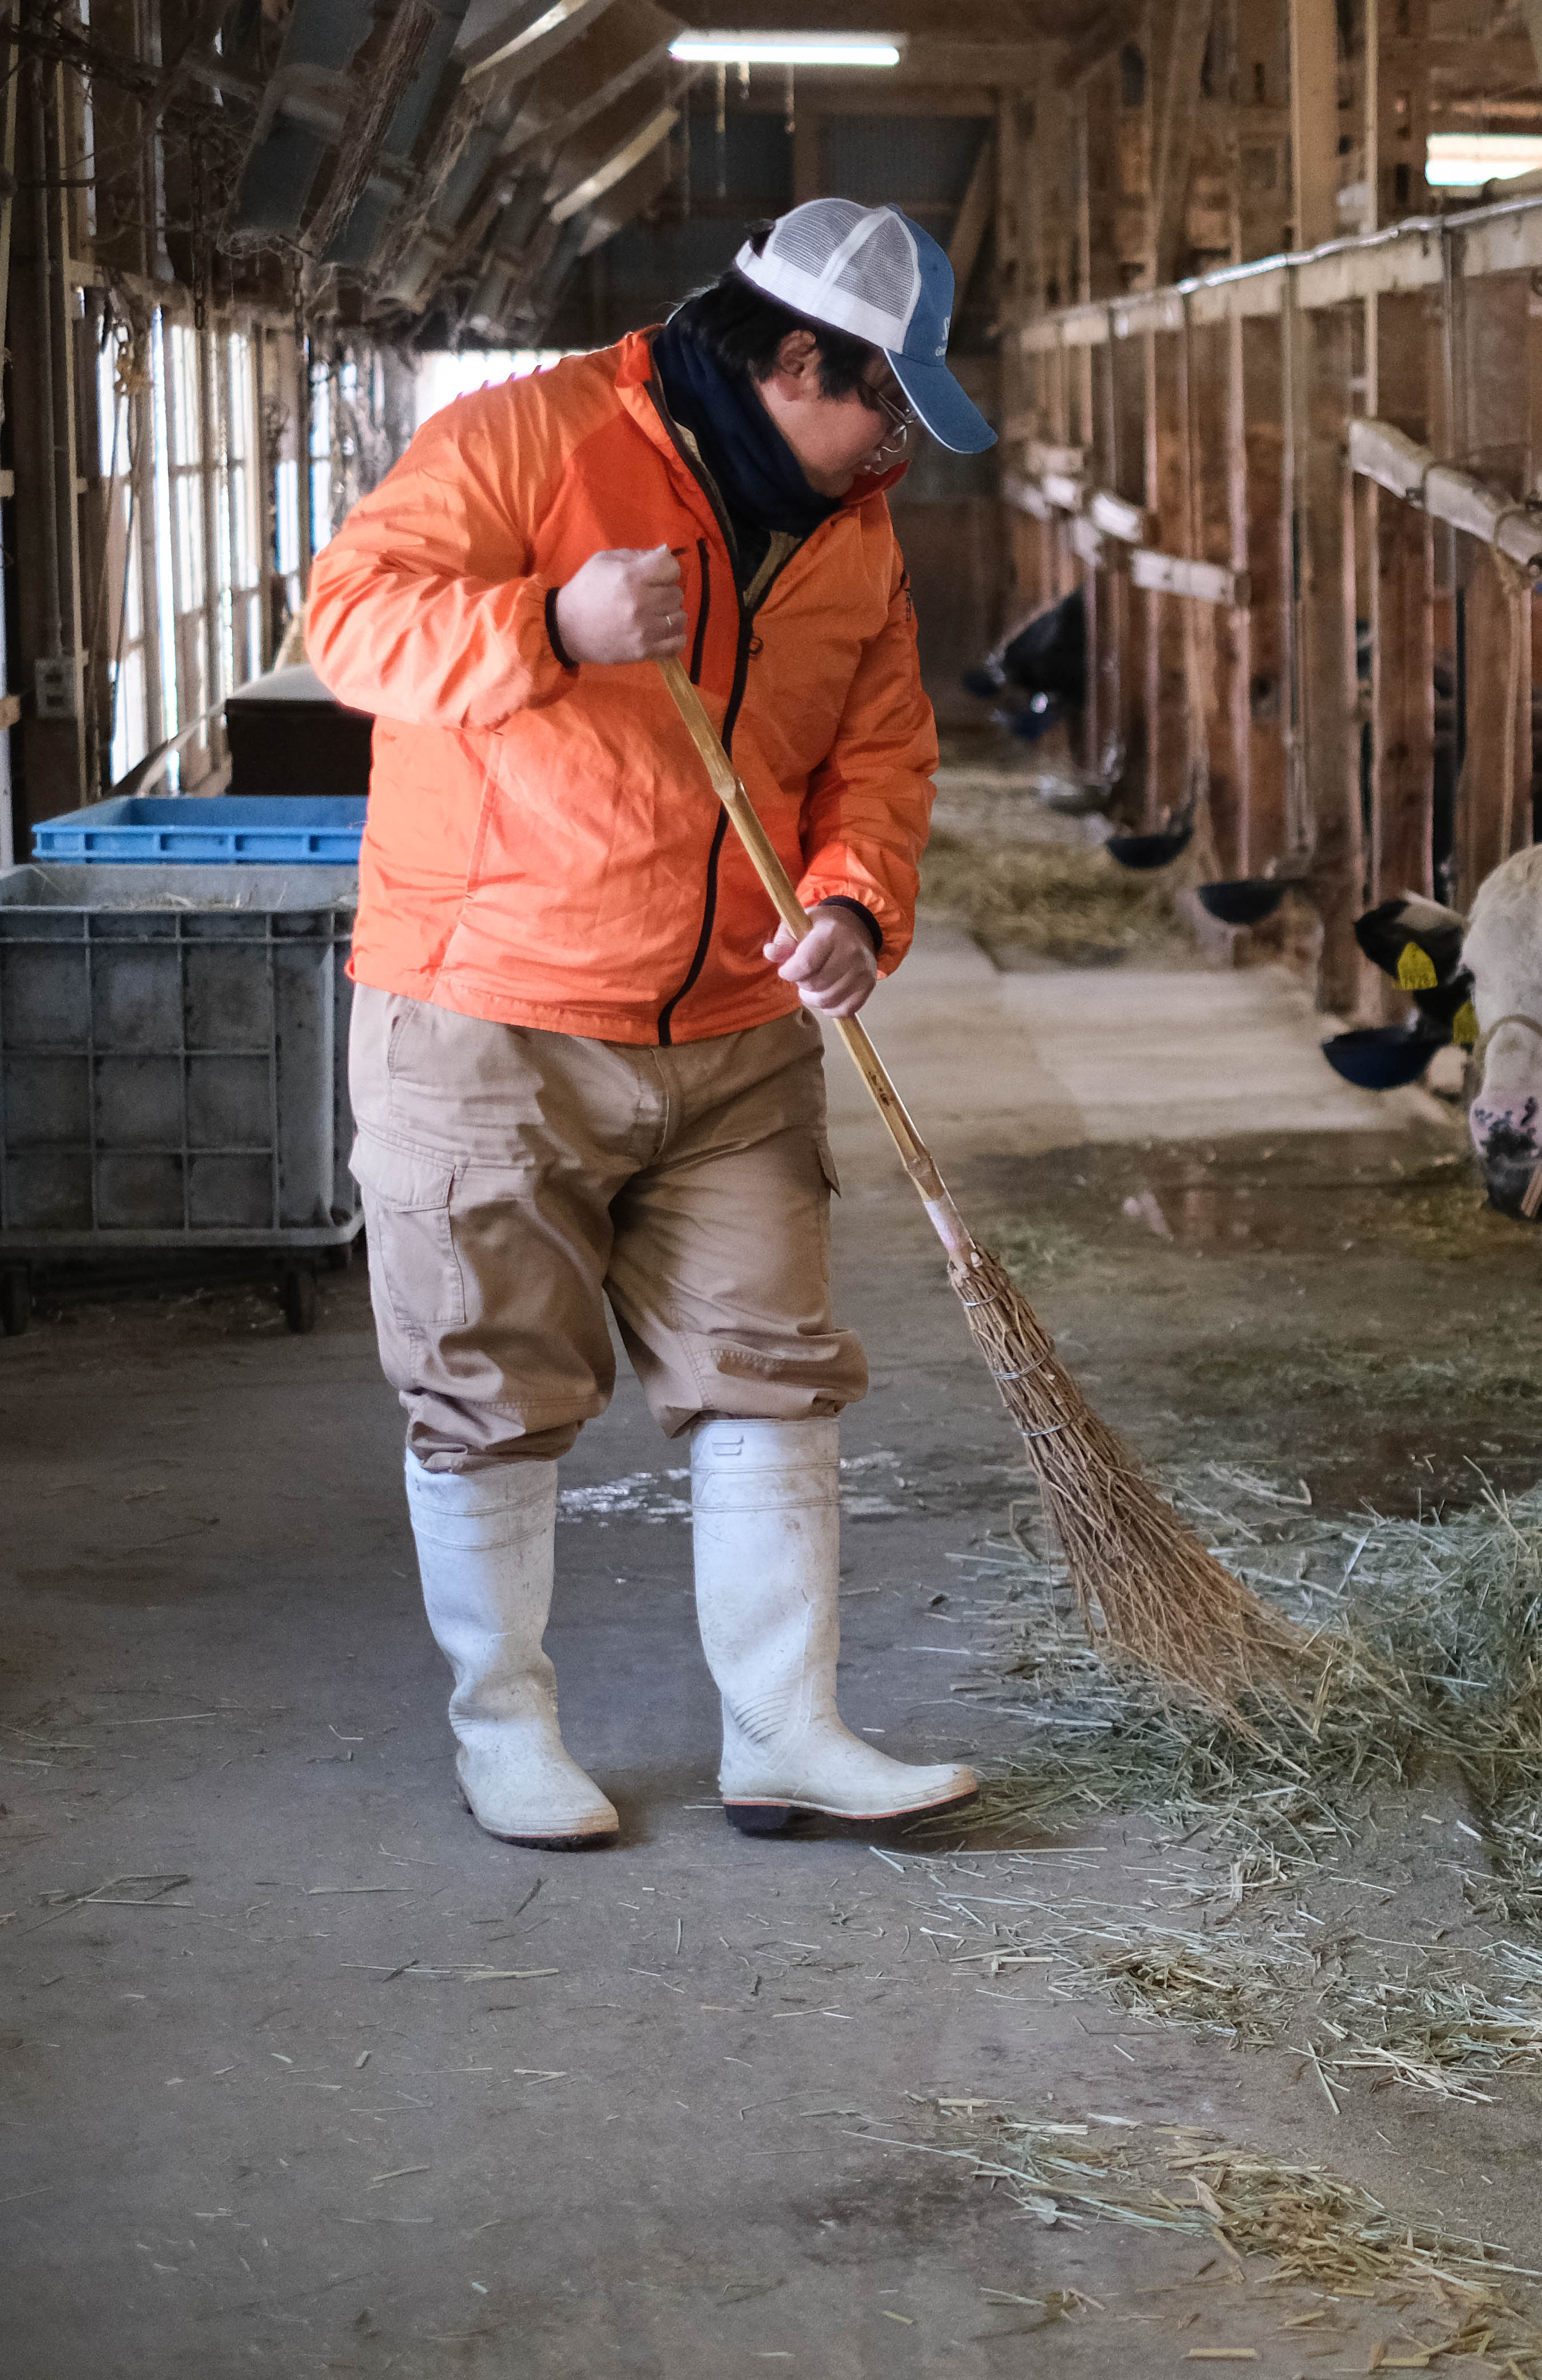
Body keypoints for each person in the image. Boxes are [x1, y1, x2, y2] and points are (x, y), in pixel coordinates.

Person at [308, 200, 999, 1850]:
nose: (896, 444)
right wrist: (550, 630)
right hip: (495, 1013)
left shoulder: (853, 528)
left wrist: (850, 906)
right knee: (490, 1381)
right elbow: (347, 621)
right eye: (880, 404)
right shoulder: (524, 438)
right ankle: (508, 1729)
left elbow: (883, 752)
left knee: (771, 1376)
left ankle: (786, 1730)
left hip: (740, 1026)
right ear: (791, 360)